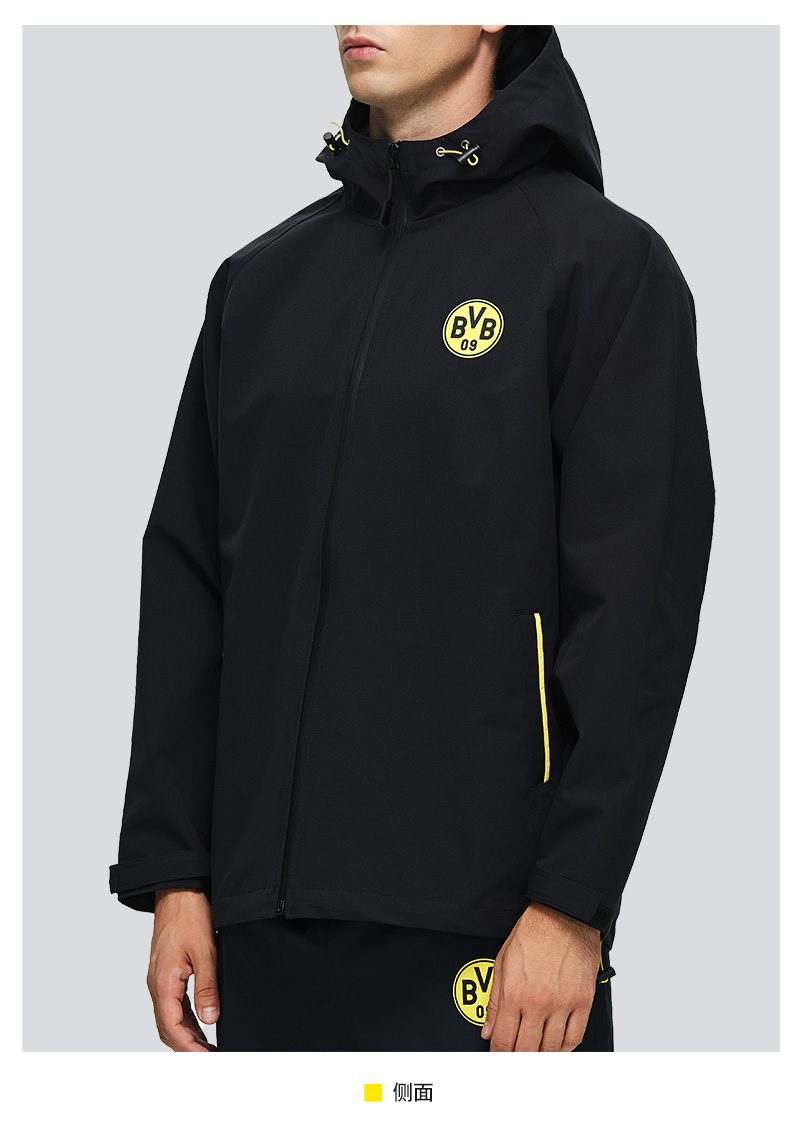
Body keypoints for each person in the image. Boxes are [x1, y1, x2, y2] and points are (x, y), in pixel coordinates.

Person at [109, 24, 716, 1053]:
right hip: (260, 928)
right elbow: (188, 581)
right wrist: (176, 873)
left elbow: (635, 612)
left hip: (490, 933)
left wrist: (571, 899)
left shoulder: (599, 265)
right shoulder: (259, 282)